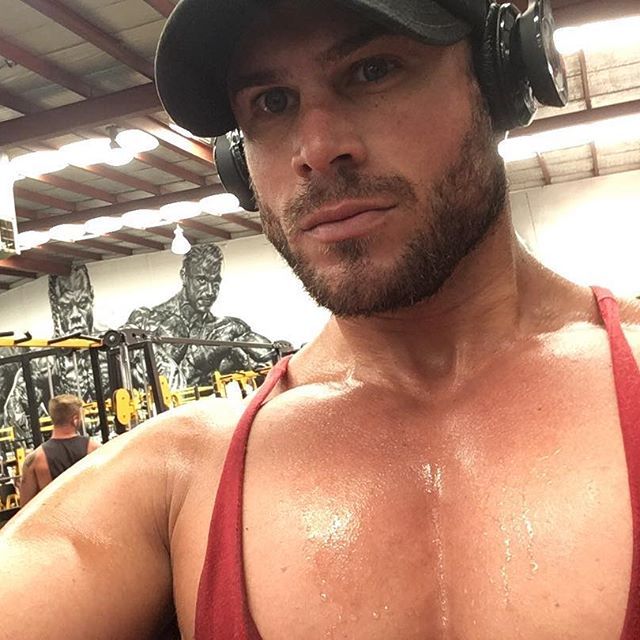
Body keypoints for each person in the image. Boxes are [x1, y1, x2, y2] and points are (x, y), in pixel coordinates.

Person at [0, 1, 639, 639]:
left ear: (500, 76)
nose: (318, 149)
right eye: (272, 103)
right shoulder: (177, 479)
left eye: (374, 70)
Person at [125, 242, 276, 388]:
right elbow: (163, 387)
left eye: (216, 282)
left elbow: (271, 371)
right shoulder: (145, 321)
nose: (210, 291)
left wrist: (274, 353)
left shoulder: (227, 330)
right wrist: (198, 358)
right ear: (184, 276)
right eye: (201, 280)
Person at [2, 265, 103, 442]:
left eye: (82, 304)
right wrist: (37, 443)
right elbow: (13, 413)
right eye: (66, 306)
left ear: (91, 297)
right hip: (65, 443)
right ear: (55, 307)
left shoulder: (112, 352)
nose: (75, 315)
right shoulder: (43, 364)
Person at [17, 394, 99, 506]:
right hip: (89, 513)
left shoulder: (35, 459)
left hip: (53, 516)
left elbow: (25, 508)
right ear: (75, 420)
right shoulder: (94, 449)